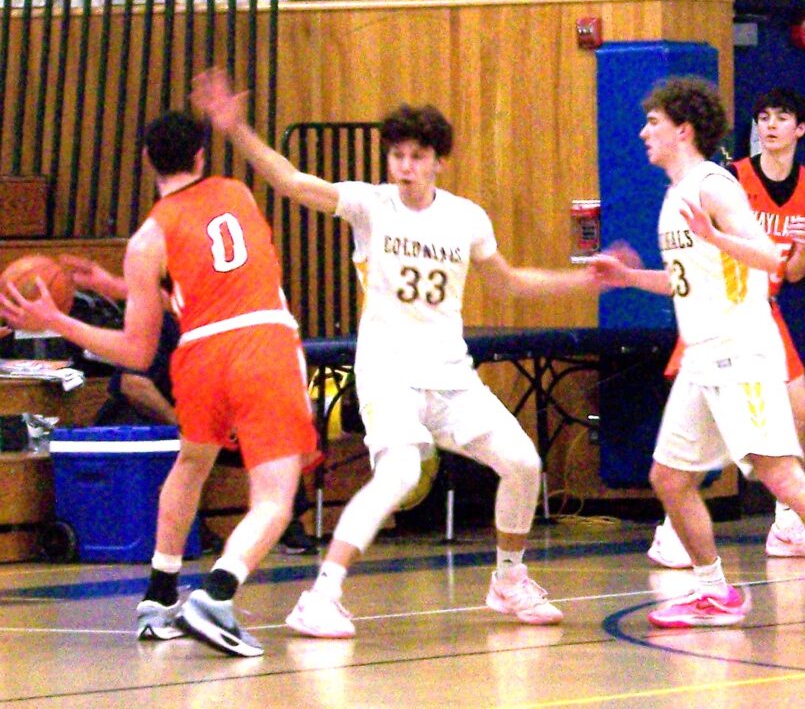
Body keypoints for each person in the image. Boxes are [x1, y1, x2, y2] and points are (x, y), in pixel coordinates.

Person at [191, 67, 599, 639]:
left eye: (417, 156)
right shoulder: (369, 205)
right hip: (388, 373)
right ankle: (321, 595)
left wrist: (583, 284)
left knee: (524, 463)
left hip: (451, 376)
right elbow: (289, 181)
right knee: (401, 470)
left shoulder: (465, 218)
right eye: (397, 155)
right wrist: (236, 131)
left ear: (438, 161)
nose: (405, 166)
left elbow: (507, 283)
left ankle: (508, 581)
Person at [589, 76, 805, 634]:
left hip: (743, 354)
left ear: (682, 130)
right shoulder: (676, 193)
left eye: (653, 123)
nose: (643, 132)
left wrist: (715, 238)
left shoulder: (715, 186)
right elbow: (687, 281)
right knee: (668, 478)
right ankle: (713, 591)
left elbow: (766, 255)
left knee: (781, 476)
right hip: (702, 358)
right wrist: (629, 278)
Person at [1, 111, 320, 657]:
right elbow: (219, 269)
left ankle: (158, 597)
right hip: (261, 344)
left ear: (147, 160)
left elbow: (136, 351)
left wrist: (77, 311)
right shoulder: (238, 194)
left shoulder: (147, 240)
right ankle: (215, 596)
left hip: (198, 355)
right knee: (275, 497)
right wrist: (102, 299)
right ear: (200, 156)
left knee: (191, 462)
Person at [648, 87, 805, 568]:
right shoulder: (728, 178)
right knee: (706, 427)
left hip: (762, 310)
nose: (770, 125)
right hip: (719, 309)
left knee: (803, 416)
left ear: (800, 128)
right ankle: (672, 529)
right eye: (763, 117)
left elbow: (790, 272)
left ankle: (787, 525)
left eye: (781, 117)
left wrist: (804, 251)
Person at [64, 256, 318, 555]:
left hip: (202, 418)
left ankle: (284, 522)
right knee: (187, 447)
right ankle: (187, 530)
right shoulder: (158, 322)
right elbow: (134, 385)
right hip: (144, 423)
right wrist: (182, 421)